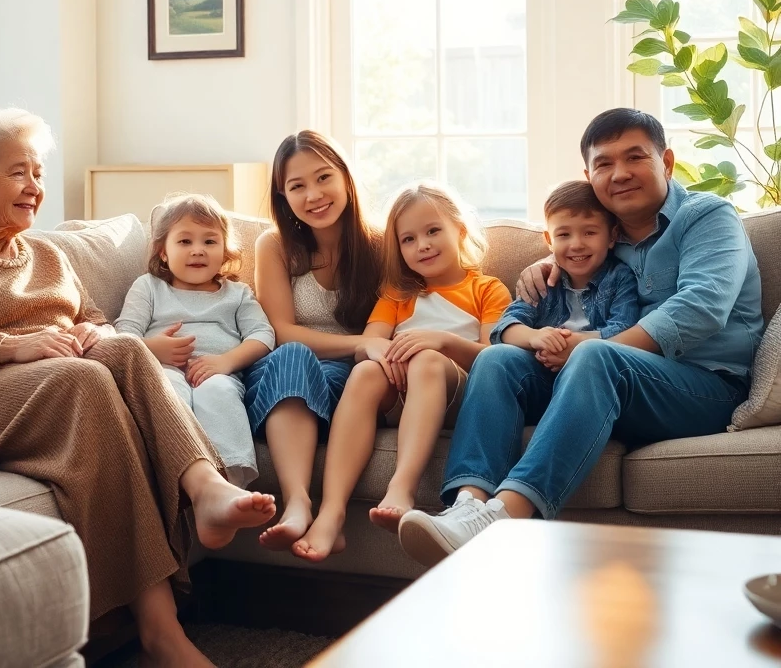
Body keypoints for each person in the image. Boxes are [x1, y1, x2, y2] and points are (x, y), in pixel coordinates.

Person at [0, 105, 275, 668]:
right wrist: (7, 346)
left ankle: (205, 490)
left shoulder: (49, 254)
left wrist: (90, 330)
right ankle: (160, 630)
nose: (35, 187)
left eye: (37, 172)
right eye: (18, 173)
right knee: (81, 379)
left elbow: (102, 321)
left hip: (48, 383)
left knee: (124, 349)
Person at [398, 108, 764, 568]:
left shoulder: (707, 217)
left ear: (666, 162)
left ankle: (504, 517)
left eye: (635, 157)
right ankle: (466, 506)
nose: (620, 173)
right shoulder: (604, 243)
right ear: (589, 175)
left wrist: (587, 349)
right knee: (497, 361)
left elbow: (701, 308)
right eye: (604, 164)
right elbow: (565, 260)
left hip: (703, 388)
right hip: (611, 388)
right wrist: (549, 264)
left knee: (595, 355)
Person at [290, 182, 510, 562]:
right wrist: (384, 355)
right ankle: (331, 512)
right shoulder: (397, 294)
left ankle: (402, 488)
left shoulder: (486, 289)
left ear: (459, 230)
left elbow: (494, 359)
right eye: (408, 239)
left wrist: (440, 341)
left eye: (432, 231)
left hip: (459, 394)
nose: (422, 245)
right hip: (401, 387)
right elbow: (371, 343)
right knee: (364, 374)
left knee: (425, 360)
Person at [243, 131, 382, 551]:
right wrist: (360, 343)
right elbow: (280, 330)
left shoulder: (380, 244)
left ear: (345, 179)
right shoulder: (276, 246)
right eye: (296, 186)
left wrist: (365, 349)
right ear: (283, 196)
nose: (314, 195)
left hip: (343, 383)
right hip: (281, 373)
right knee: (293, 353)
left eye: (323, 178)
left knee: (324, 363)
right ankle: (298, 502)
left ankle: (316, 511)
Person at [116, 193, 275, 486]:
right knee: (169, 390)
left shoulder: (237, 294)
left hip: (217, 374)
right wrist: (152, 349)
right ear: (162, 251)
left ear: (225, 252)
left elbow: (263, 334)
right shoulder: (149, 287)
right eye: (185, 241)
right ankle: (180, 477)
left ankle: (230, 482)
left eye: (210, 241)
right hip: (161, 371)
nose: (198, 250)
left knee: (217, 393)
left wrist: (226, 361)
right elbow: (123, 334)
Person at [494, 180, 638, 356]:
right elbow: (504, 326)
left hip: (592, 365)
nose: (576, 244)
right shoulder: (542, 280)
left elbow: (624, 329)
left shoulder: (620, 277)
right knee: (494, 355)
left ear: (612, 236)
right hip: (538, 369)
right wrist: (534, 336)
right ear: (549, 240)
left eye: (589, 232)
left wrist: (573, 344)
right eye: (563, 235)